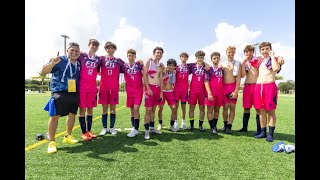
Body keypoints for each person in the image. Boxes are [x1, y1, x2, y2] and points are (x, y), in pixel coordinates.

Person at [42, 42, 81, 154]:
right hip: (59, 92)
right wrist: (52, 63)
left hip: (73, 92)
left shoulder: (78, 64)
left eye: (76, 51)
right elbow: (44, 71)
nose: (74, 52)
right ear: (67, 51)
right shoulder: (59, 60)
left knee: (72, 114)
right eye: (72, 50)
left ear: (79, 52)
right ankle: (52, 142)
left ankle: (67, 136)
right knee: (55, 116)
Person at [237, 45, 284, 136]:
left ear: (253, 52)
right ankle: (244, 127)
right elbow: (243, 75)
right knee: (246, 107)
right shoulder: (245, 62)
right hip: (247, 86)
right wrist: (243, 63)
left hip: (258, 86)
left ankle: (260, 130)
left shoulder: (258, 59)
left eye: (250, 51)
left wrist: (280, 57)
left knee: (259, 109)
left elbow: (275, 61)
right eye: (246, 52)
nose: (248, 53)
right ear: (244, 53)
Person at [254, 42, 282, 142]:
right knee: (261, 111)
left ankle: (270, 134)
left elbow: (276, 68)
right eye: (263, 49)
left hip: (270, 87)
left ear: (270, 49)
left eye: (267, 48)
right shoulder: (260, 61)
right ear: (261, 51)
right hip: (259, 87)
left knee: (271, 111)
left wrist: (273, 56)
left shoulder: (274, 59)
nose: (265, 51)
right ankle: (262, 132)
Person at [98, 41, 126, 136]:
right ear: (106, 49)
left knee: (113, 109)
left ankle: (112, 128)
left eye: (112, 48)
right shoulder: (101, 59)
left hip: (114, 88)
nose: (110, 50)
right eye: (108, 48)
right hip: (104, 88)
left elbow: (128, 67)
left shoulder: (118, 60)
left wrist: (139, 63)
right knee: (104, 109)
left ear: (115, 49)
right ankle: (105, 128)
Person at [77, 39, 101, 141]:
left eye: (96, 45)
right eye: (93, 45)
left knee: (90, 109)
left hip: (92, 88)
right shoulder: (81, 55)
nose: (94, 47)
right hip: (82, 87)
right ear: (88, 45)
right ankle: (84, 133)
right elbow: (70, 55)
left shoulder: (98, 59)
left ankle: (89, 131)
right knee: (82, 109)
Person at [143, 47, 164, 139]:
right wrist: (148, 89)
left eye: (160, 53)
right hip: (150, 88)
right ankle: (146, 131)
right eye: (157, 52)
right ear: (154, 53)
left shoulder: (160, 66)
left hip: (157, 89)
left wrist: (161, 92)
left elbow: (160, 79)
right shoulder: (148, 62)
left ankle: (152, 128)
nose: (158, 54)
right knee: (148, 110)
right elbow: (144, 75)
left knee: (153, 110)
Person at [220, 46, 242, 134]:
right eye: (229, 52)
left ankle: (229, 126)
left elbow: (239, 78)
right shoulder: (222, 64)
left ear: (235, 53)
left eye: (232, 52)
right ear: (226, 52)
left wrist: (236, 90)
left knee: (232, 108)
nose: (231, 54)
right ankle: (225, 124)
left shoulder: (237, 63)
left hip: (233, 87)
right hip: (224, 88)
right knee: (225, 108)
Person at [122, 49, 144, 137]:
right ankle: (133, 126)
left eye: (132, 56)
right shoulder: (124, 66)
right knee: (131, 110)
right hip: (129, 91)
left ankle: (136, 129)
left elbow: (146, 69)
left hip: (138, 91)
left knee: (136, 109)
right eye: (129, 56)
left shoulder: (139, 65)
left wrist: (142, 62)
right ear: (127, 56)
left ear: (135, 56)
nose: (130, 57)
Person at [204, 52, 224, 134]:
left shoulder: (222, 69)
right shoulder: (209, 69)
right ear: (211, 60)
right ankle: (212, 127)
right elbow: (206, 81)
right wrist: (209, 93)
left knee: (217, 110)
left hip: (220, 93)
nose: (216, 59)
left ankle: (215, 126)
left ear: (219, 59)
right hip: (211, 92)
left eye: (217, 58)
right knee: (210, 110)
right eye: (214, 58)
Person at [171, 52, 192, 130]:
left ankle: (183, 123)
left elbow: (198, 63)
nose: (184, 58)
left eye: (185, 57)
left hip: (185, 90)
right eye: (182, 57)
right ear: (180, 58)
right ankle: (175, 123)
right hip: (176, 89)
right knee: (175, 107)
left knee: (183, 107)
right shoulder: (176, 67)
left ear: (187, 58)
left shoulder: (189, 67)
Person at [188, 50, 207, 131]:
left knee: (202, 109)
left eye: (201, 57)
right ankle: (191, 125)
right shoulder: (192, 66)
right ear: (196, 58)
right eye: (198, 57)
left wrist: (206, 63)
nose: (199, 59)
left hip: (202, 91)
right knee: (191, 109)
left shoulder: (206, 67)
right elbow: (183, 66)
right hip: (193, 91)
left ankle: (200, 126)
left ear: (203, 58)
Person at [158, 58, 178, 132]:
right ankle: (160, 124)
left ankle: (172, 125)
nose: (171, 67)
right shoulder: (164, 70)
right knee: (160, 108)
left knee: (174, 108)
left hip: (170, 92)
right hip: (162, 92)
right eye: (169, 65)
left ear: (175, 67)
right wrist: (163, 66)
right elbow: (160, 65)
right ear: (167, 65)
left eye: (173, 66)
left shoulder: (174, 72)